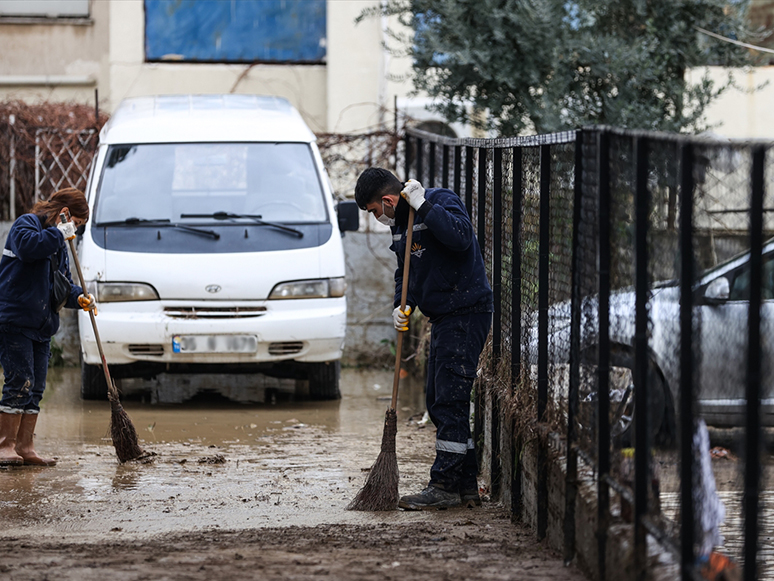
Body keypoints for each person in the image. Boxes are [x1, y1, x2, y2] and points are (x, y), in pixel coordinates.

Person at [355, 168, 493, 510]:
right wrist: (401, 306)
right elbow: (407, 272)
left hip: (466, 310)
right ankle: (465, 486)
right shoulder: (402, 226)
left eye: (375, 210)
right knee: (439, 398)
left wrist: (424, 205)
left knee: (448, 400)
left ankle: (443, 486)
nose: (377, 217)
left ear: (388, 200)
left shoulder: (439, 202)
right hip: (444, 316)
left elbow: (461, 238)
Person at [0, 188, 96, 466]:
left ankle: (25, 446)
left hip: (42, 326)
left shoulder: (60, 246)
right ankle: (5, 446)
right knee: (20, 381)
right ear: (63, 213)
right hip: (15, 321)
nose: (74, 231)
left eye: (77, 226)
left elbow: (60, 287)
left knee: (37, 387)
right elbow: (30, 248)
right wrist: (60, 231)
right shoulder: (25, 226)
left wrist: (79, 297)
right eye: (75, 223)